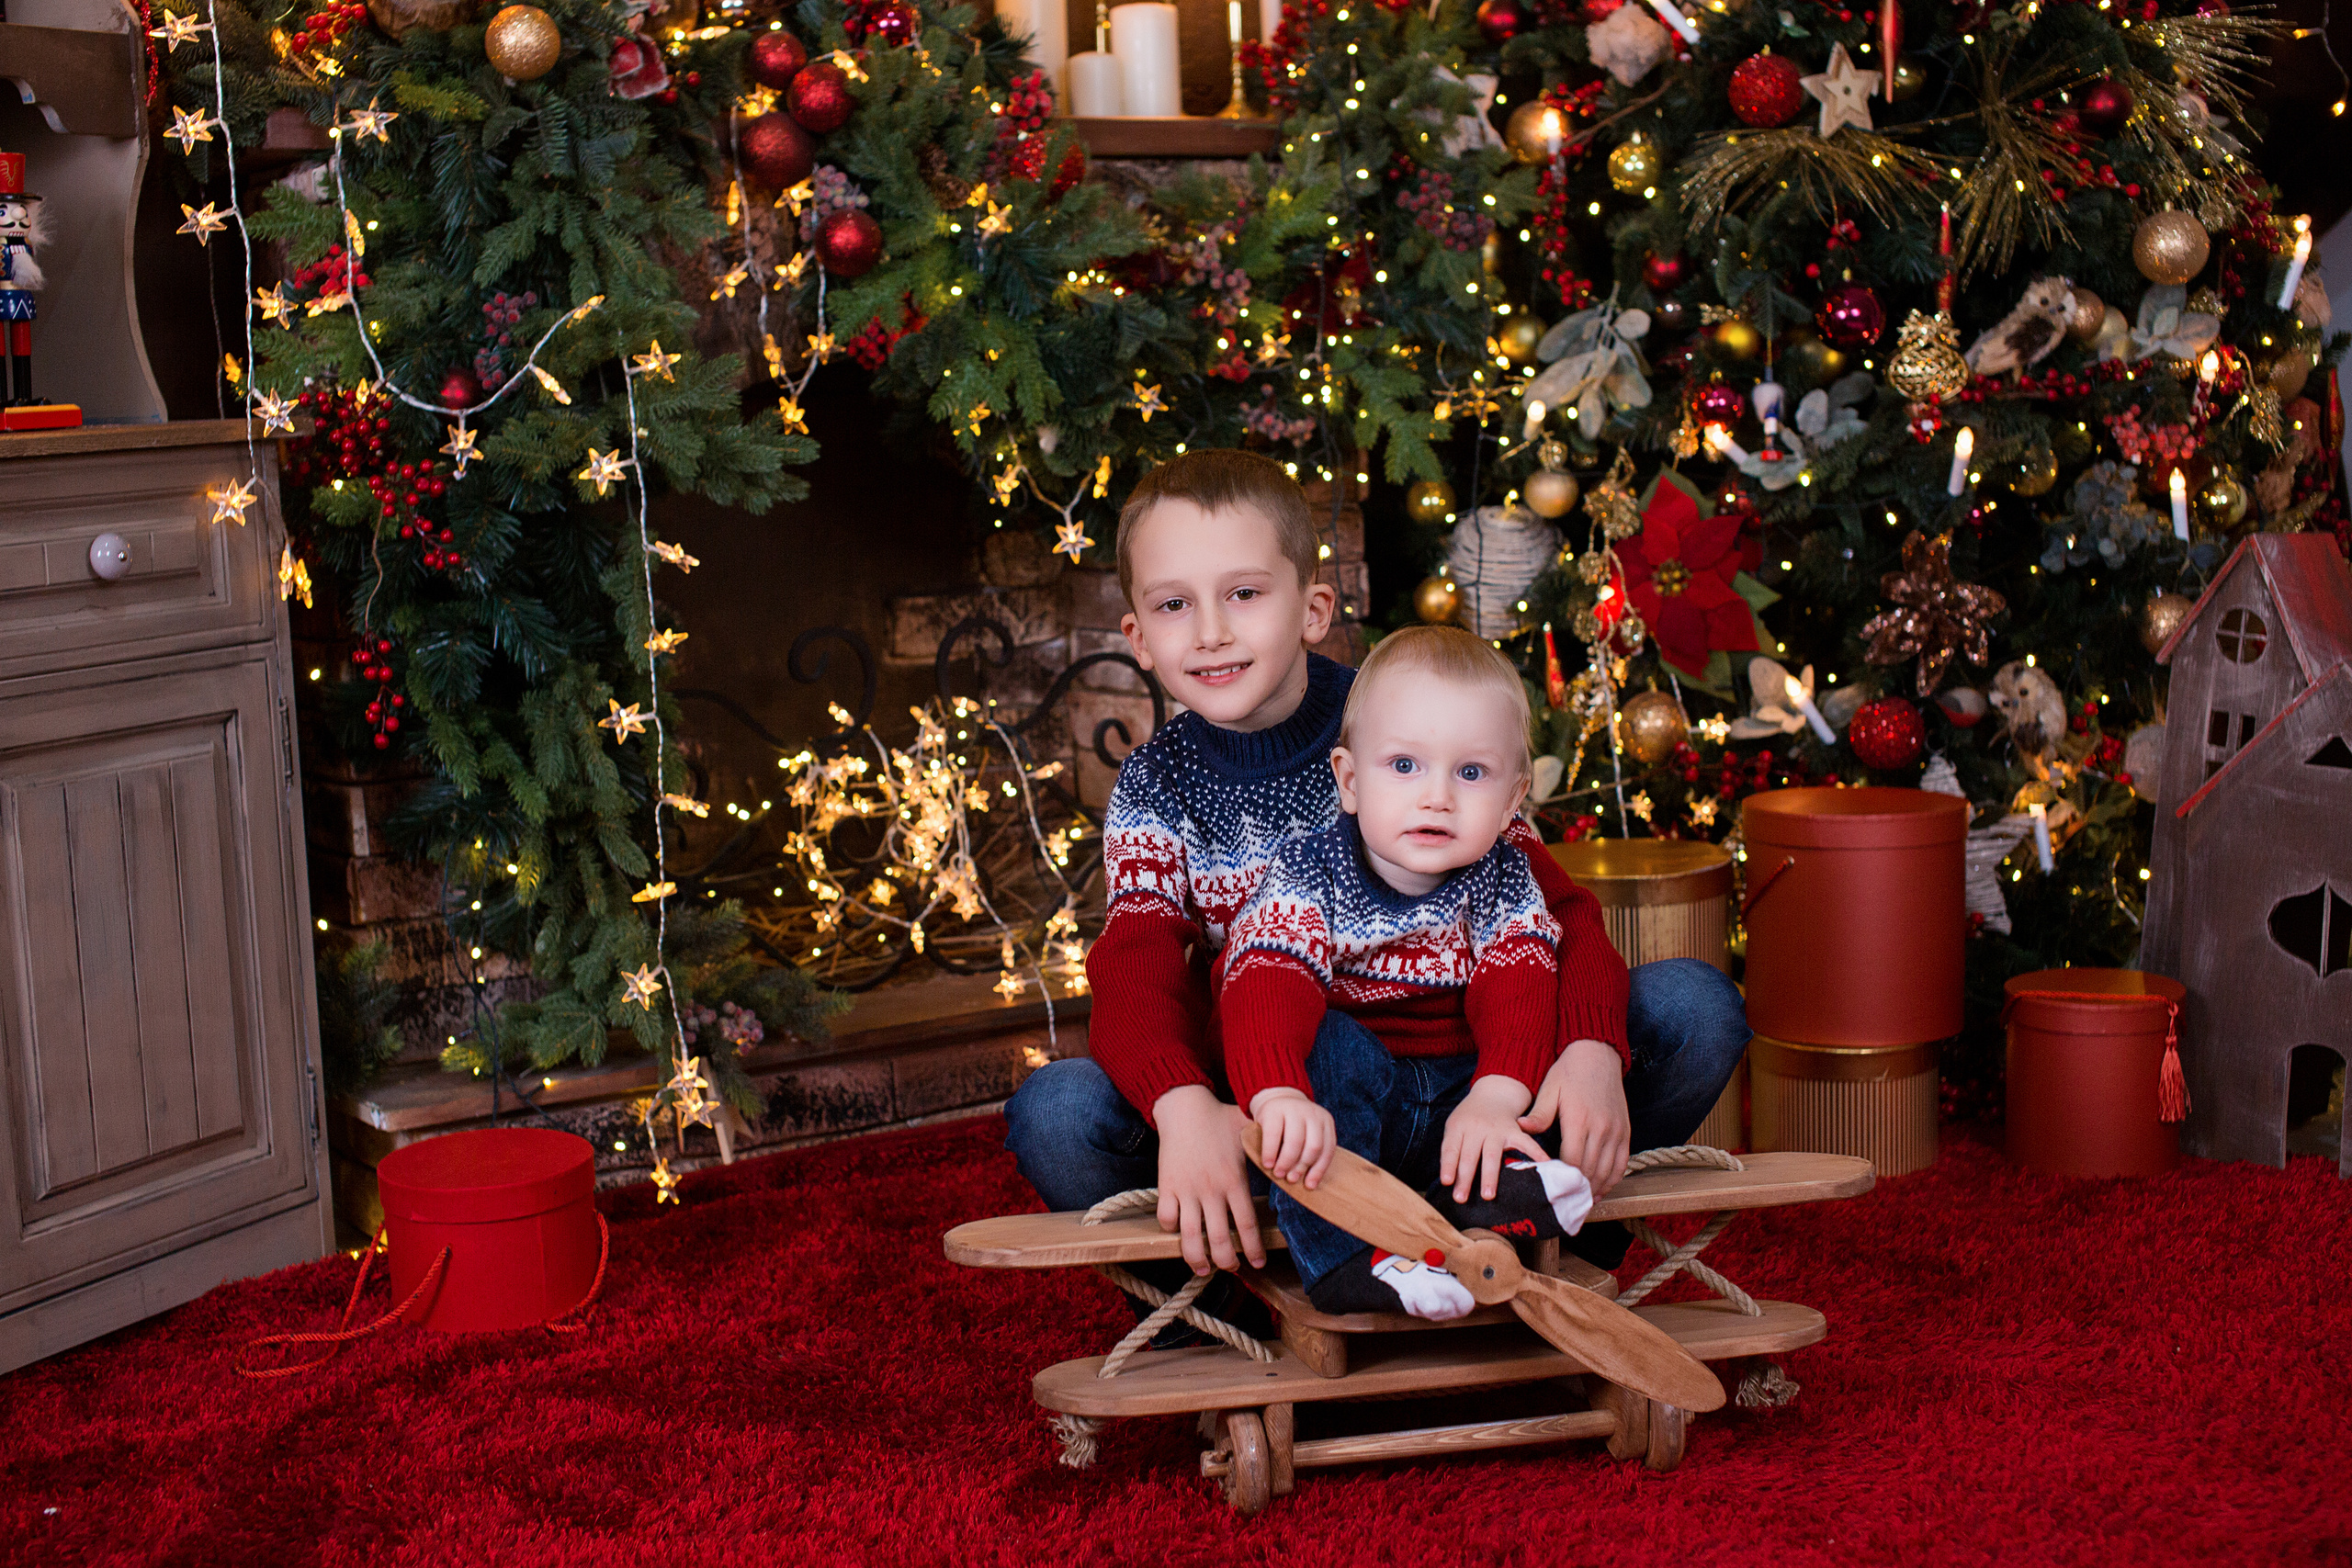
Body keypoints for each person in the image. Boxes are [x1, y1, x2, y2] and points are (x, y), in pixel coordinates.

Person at [1001, 449, 1745, 1334]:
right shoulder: (1158, 786)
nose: (1210, 632)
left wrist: (1589, 1050)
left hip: (1473, 1085)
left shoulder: (1405, 714)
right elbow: (1135, 965)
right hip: (1283, 1113)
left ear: (1314, 609)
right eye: (1174, 605)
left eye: (1244, 593)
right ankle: (1240, 1306)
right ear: (1138, 638)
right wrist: (1184, 1106)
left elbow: (1549, 909)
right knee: (1056, 1112)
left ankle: (1542, 1232)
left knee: (1695, 1006)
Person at [1217, 624, 1605, 1317]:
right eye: (1404, 765)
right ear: (1350, 780)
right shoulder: (1310, 874)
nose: (1437, 797)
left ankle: (1487, 1192)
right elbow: (1265, 980)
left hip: (1459, 1103)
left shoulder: (1505, 877)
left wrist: (1496, 1097)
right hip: (1343, 1119)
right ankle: (1342, 1257)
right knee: (1331, 1045)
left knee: (1526, 1057)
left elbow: (1518, 986)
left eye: (1471, 773)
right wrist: (1278, 1094)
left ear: (1512, 800)